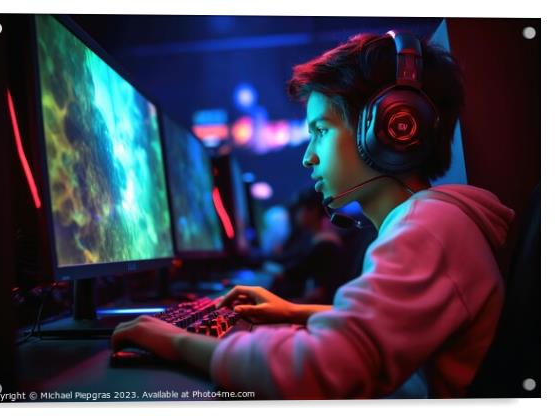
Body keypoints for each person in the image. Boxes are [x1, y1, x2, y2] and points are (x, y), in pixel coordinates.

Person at [111, 31, 514, 399]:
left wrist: (176, 341)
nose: (308, 156)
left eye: (321, 130)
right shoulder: (436, 221)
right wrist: (295, 313)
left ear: (392, 130)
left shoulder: (427, 230)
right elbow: (398, 329)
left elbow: (322, 372)